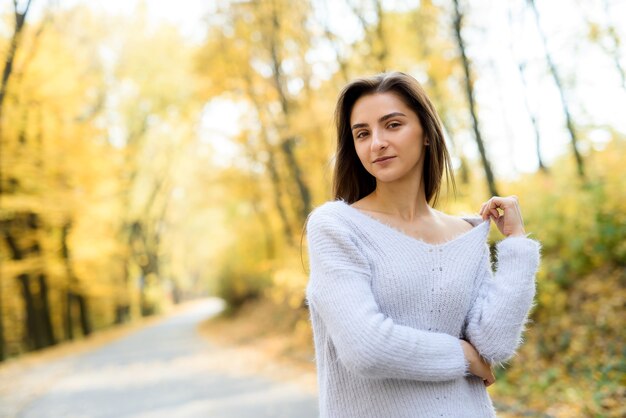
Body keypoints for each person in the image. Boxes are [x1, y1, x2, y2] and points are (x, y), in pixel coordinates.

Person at [305, 71, 541, 417]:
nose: (377, 143)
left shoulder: (465, 233)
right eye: (362, 133)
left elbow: (494, 343)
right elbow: (366, 348)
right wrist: (462, 357)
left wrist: (517, 246)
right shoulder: (337, 226)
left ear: (427, 134)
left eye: (393, 125)